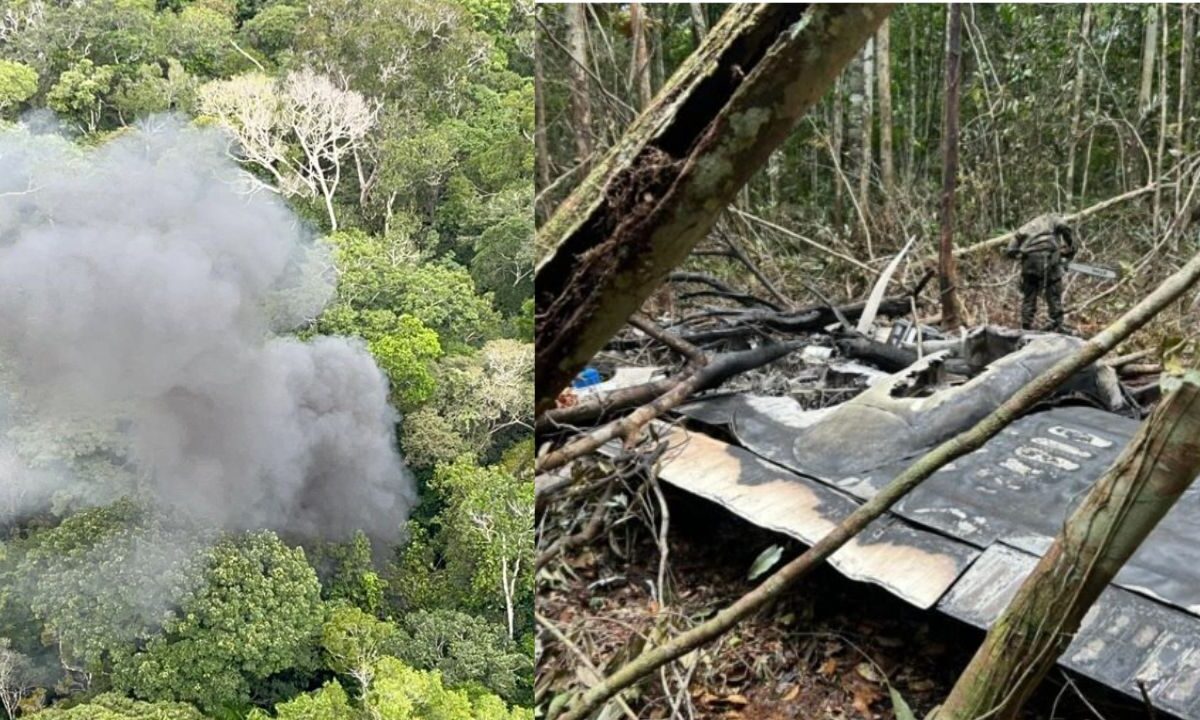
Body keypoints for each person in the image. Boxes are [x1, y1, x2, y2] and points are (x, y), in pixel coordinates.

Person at [1005, 213, 1075, 331]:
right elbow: (1063, 227)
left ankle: (1026, 325)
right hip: (1049, 259)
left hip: (1030, 262)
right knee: (1053, 292)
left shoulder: (1027, 226)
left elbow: (1012, 246)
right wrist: (1071, 245)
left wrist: (1018, 253)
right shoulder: (1053, 218)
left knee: (1029, 295)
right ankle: (1057, 322)